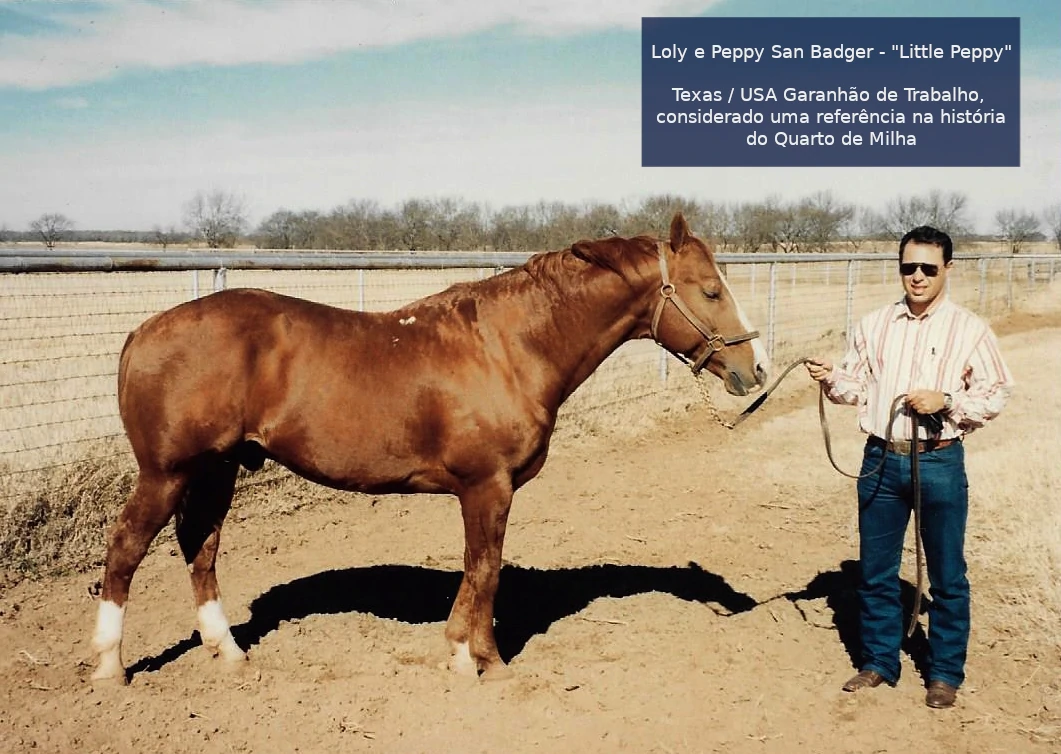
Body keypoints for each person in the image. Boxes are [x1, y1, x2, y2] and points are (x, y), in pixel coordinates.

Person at [805, 225, 1014, 709]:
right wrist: (831, 376)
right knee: (876, 571)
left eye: (928, 268)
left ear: (948, 270)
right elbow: (854, 387)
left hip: (939, 460)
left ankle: (943, 673)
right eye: (908, 267)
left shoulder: (970, 329)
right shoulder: (874, 324)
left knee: (947, 575)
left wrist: (947, 401)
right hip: (881, 458)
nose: (916, 277)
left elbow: (997, 391)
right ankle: (879, 661)